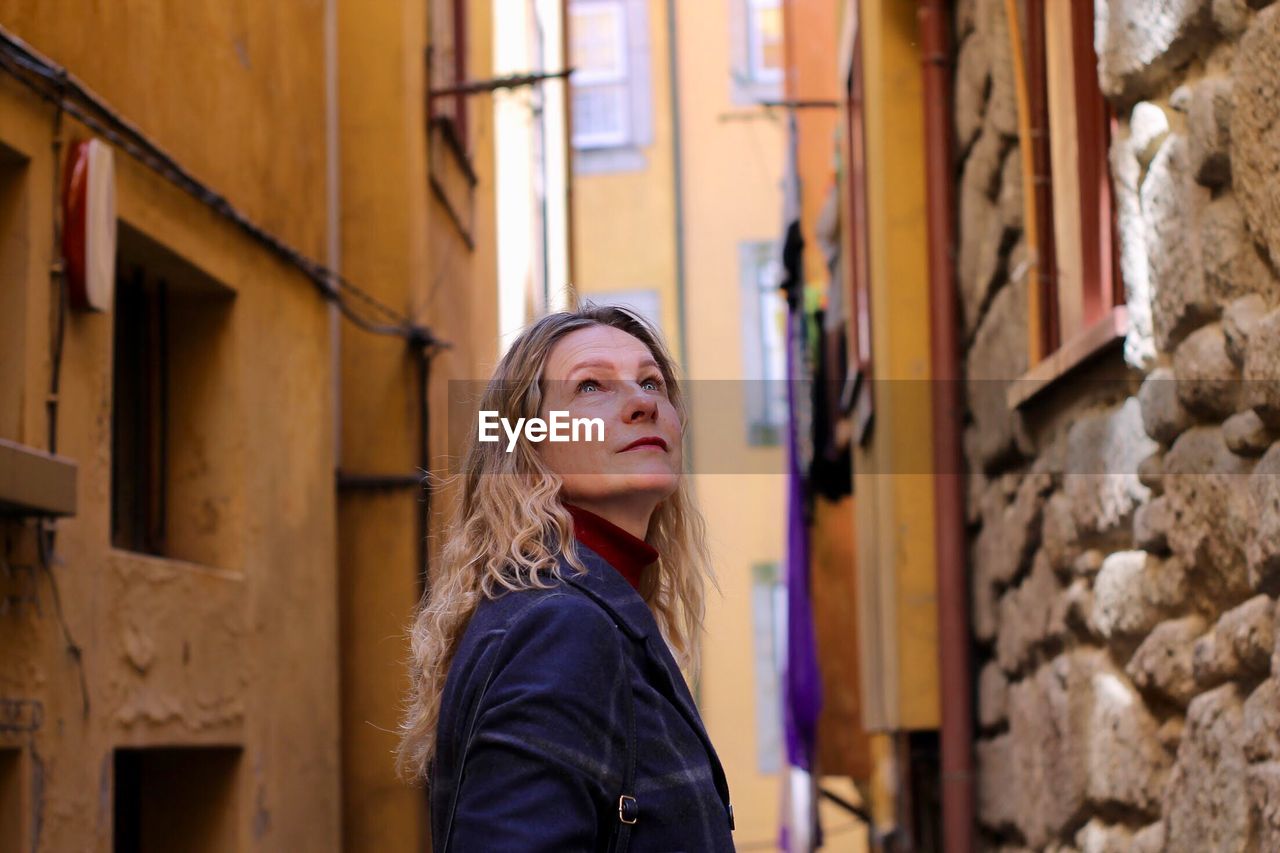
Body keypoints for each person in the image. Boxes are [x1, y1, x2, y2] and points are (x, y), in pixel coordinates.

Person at [396, 304, 736, 851]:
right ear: (527, 445)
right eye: (590, 387)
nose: (644, 402)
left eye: (651, 382)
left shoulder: (584, 611)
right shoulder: (560, 627)